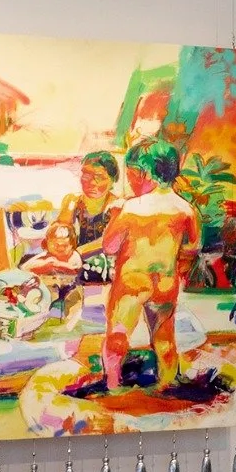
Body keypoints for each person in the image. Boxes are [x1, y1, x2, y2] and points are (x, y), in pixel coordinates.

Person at [101, 140, 199, 391]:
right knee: (164, 338)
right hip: (165, 281)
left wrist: (114, 216)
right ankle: (167, 384)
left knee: (118, 335)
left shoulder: (131, 208)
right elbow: (192, 246)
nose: (130, 182)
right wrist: (179, 267)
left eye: (131, 175)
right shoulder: (185, 209)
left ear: (145, 174)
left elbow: (109, 246)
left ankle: (112, 384)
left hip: (132, 281)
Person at [56, 151, 121, 283]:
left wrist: (78, 252)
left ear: (112, 180)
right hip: (73, 259)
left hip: (104, 264)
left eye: (99, 177)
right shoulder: (72, 201)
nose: (90, 182)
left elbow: (108, 242)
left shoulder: (117, 206)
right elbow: (61, 231)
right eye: (86, 175)